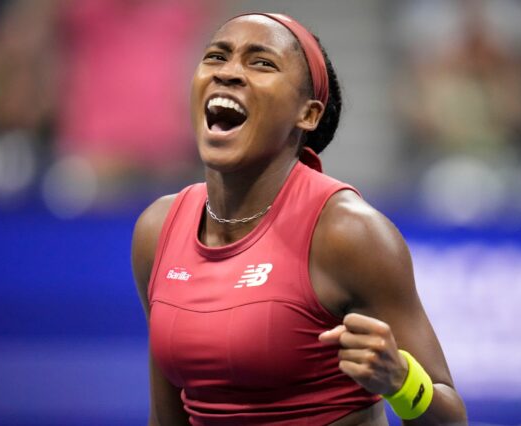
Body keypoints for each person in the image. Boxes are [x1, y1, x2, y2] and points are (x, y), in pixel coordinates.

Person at [131, 12, 467, 425]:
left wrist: (401, 380)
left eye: (261, 63)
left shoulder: (348, 234)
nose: (229, 73)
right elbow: (167, 418)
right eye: (217, 57)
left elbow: (451, 419)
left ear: (307, 115)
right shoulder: (157, 230)